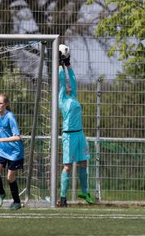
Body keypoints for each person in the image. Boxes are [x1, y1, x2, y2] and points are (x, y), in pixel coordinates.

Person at [57, 44, 94, 207]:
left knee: (84, 163)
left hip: (80, 134)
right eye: (67, 86)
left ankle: (85, 192)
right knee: (67, 166)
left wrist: (68, 63)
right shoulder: (62, 99)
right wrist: (59, 64)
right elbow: (62, 80)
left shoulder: (74, 95)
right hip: (69, 135)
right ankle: (63, 197)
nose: (70, 86)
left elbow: (71, 78)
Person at [0, 94, 24, 210]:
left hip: (14, 151)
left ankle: (17, 202)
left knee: (10, 178)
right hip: (1, 150)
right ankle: (1, 193)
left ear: (6, 104)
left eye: (0, 103)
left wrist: (0, 139)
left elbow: (17, 137)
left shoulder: (10, 116)